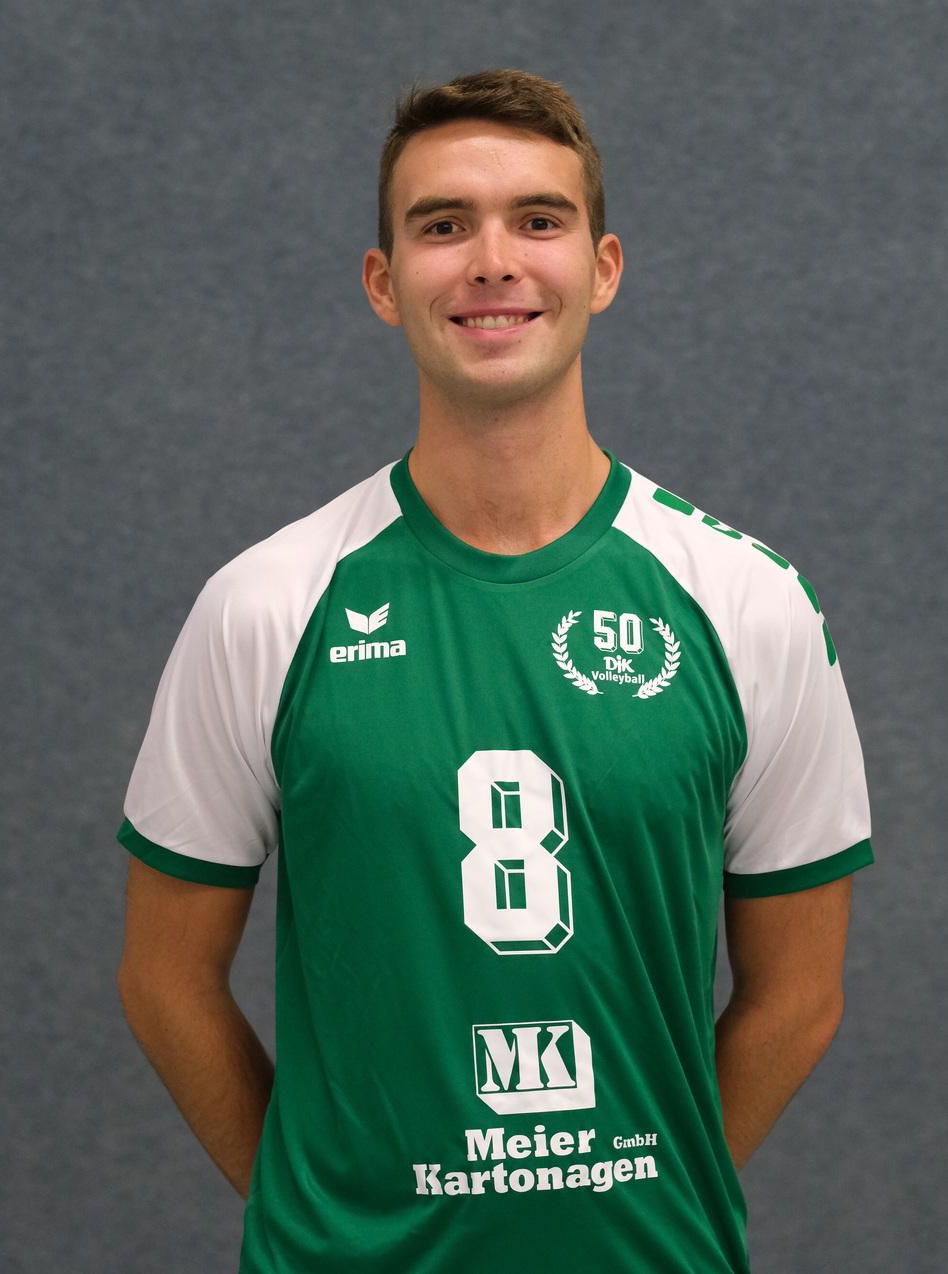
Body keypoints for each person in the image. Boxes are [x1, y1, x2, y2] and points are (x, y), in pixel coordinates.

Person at [116, 68, 874, 1274]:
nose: (491, 261)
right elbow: (165, 977)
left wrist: (649, 1200)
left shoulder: (747, 603)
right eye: (441, 225)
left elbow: (799, 993)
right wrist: (322, 1217)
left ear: (602, 267)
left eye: (537, 218)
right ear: (383, 283)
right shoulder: (264, 605)